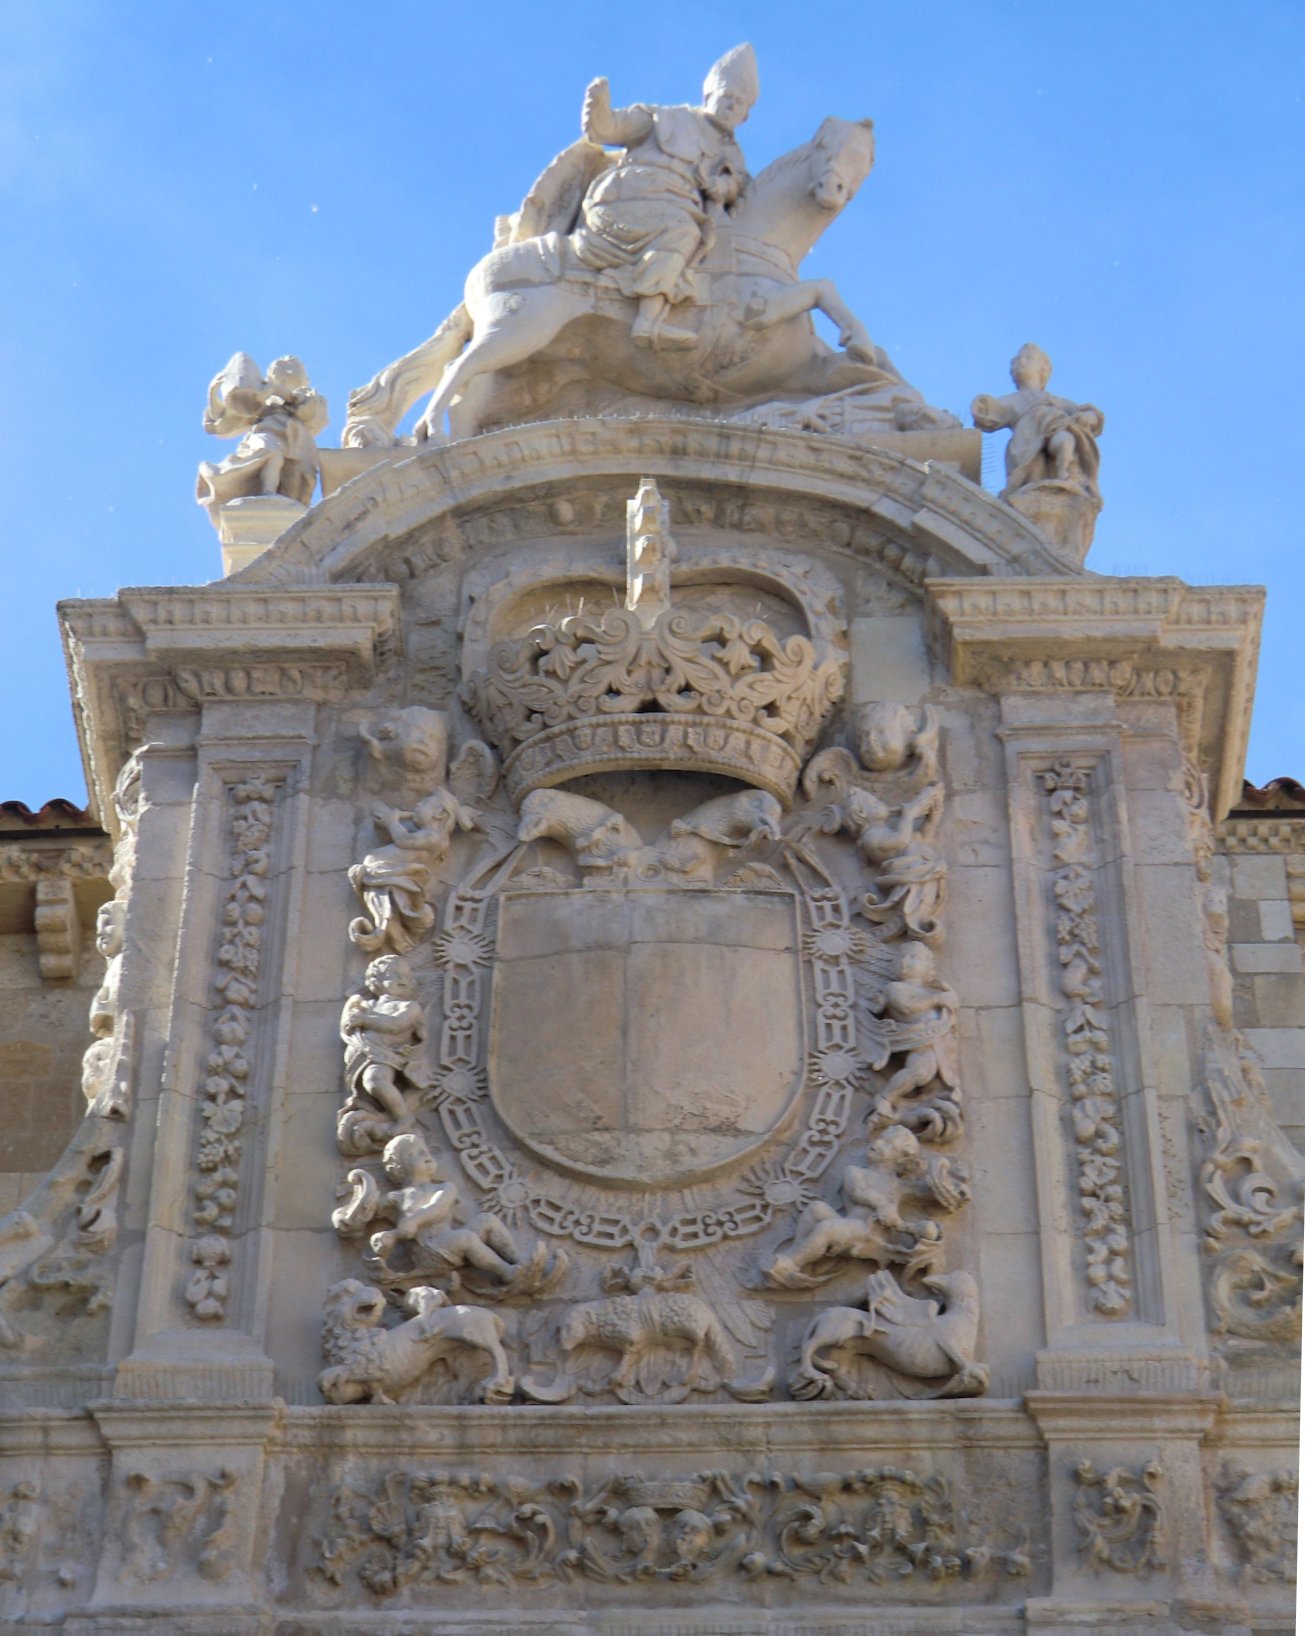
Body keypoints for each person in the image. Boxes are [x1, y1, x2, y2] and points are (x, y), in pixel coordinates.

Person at [573, 43, 758, 351]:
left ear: (745, 117)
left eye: (740, 104)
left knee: (702, 236)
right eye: (727, 97)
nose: (732, 106)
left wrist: (721, 187)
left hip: (680, 208)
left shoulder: (731, 154)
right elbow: (608, 129)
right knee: (682, 232)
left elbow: (738, 186)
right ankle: (648, 321)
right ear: (709, 96)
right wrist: (599, 106)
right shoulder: (664, 119)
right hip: (629, 198)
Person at [971, 343, 1104, 501]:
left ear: (1043, 369)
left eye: (1028, 358)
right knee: (1032, 476)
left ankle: (1064, 474)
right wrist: (982, 407)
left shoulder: (1054, 400)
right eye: (1017, 359)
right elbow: (993, 414)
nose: (1022, 361)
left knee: (1066, 441)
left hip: (1055, 430)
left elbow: (1087, 413)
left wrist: (1090, 416)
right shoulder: (1012, 400)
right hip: (1026, 443)